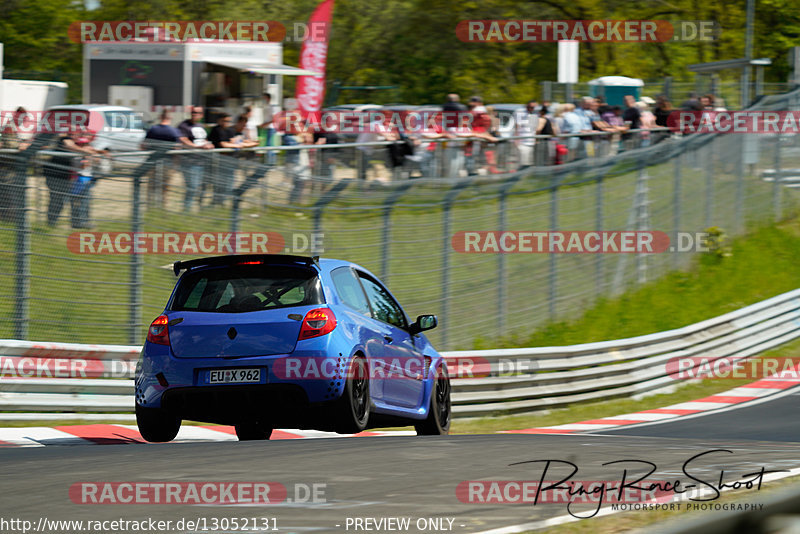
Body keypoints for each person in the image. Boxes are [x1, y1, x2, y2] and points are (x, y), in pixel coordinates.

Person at [177, 106, 213, 212]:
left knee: (202, 186)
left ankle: (199, 209)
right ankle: (186, 210)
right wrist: (197, 147)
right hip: (189, 161)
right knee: (192, 187)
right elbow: (183, 140)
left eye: (197, 113)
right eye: (193, 112)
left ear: (201, 115)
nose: (194, 114)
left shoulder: (201, 126)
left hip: (203, 161)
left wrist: (208, 144)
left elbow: (203, 139)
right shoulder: (183, 125)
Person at [143, 109, 181, 205]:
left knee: (151, 187)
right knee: (165, 187)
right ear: (170, 118)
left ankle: (150, 207)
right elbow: (177, 148)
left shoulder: (153, 129)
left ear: (160, 117)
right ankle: (163, 208)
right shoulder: (174, 131)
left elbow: (144, 145)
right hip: (168, 163)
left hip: (153, 162)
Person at [258, 94, 277, 164]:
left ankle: (271, 162)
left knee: (269, 144)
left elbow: (274, 119)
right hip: (266, 128)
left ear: (268, 98)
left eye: (264, 98)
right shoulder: (264, 107)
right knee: (266, 144)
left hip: (270, 127)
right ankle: (268, 161)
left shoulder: (271, 107)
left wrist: (264, 124)